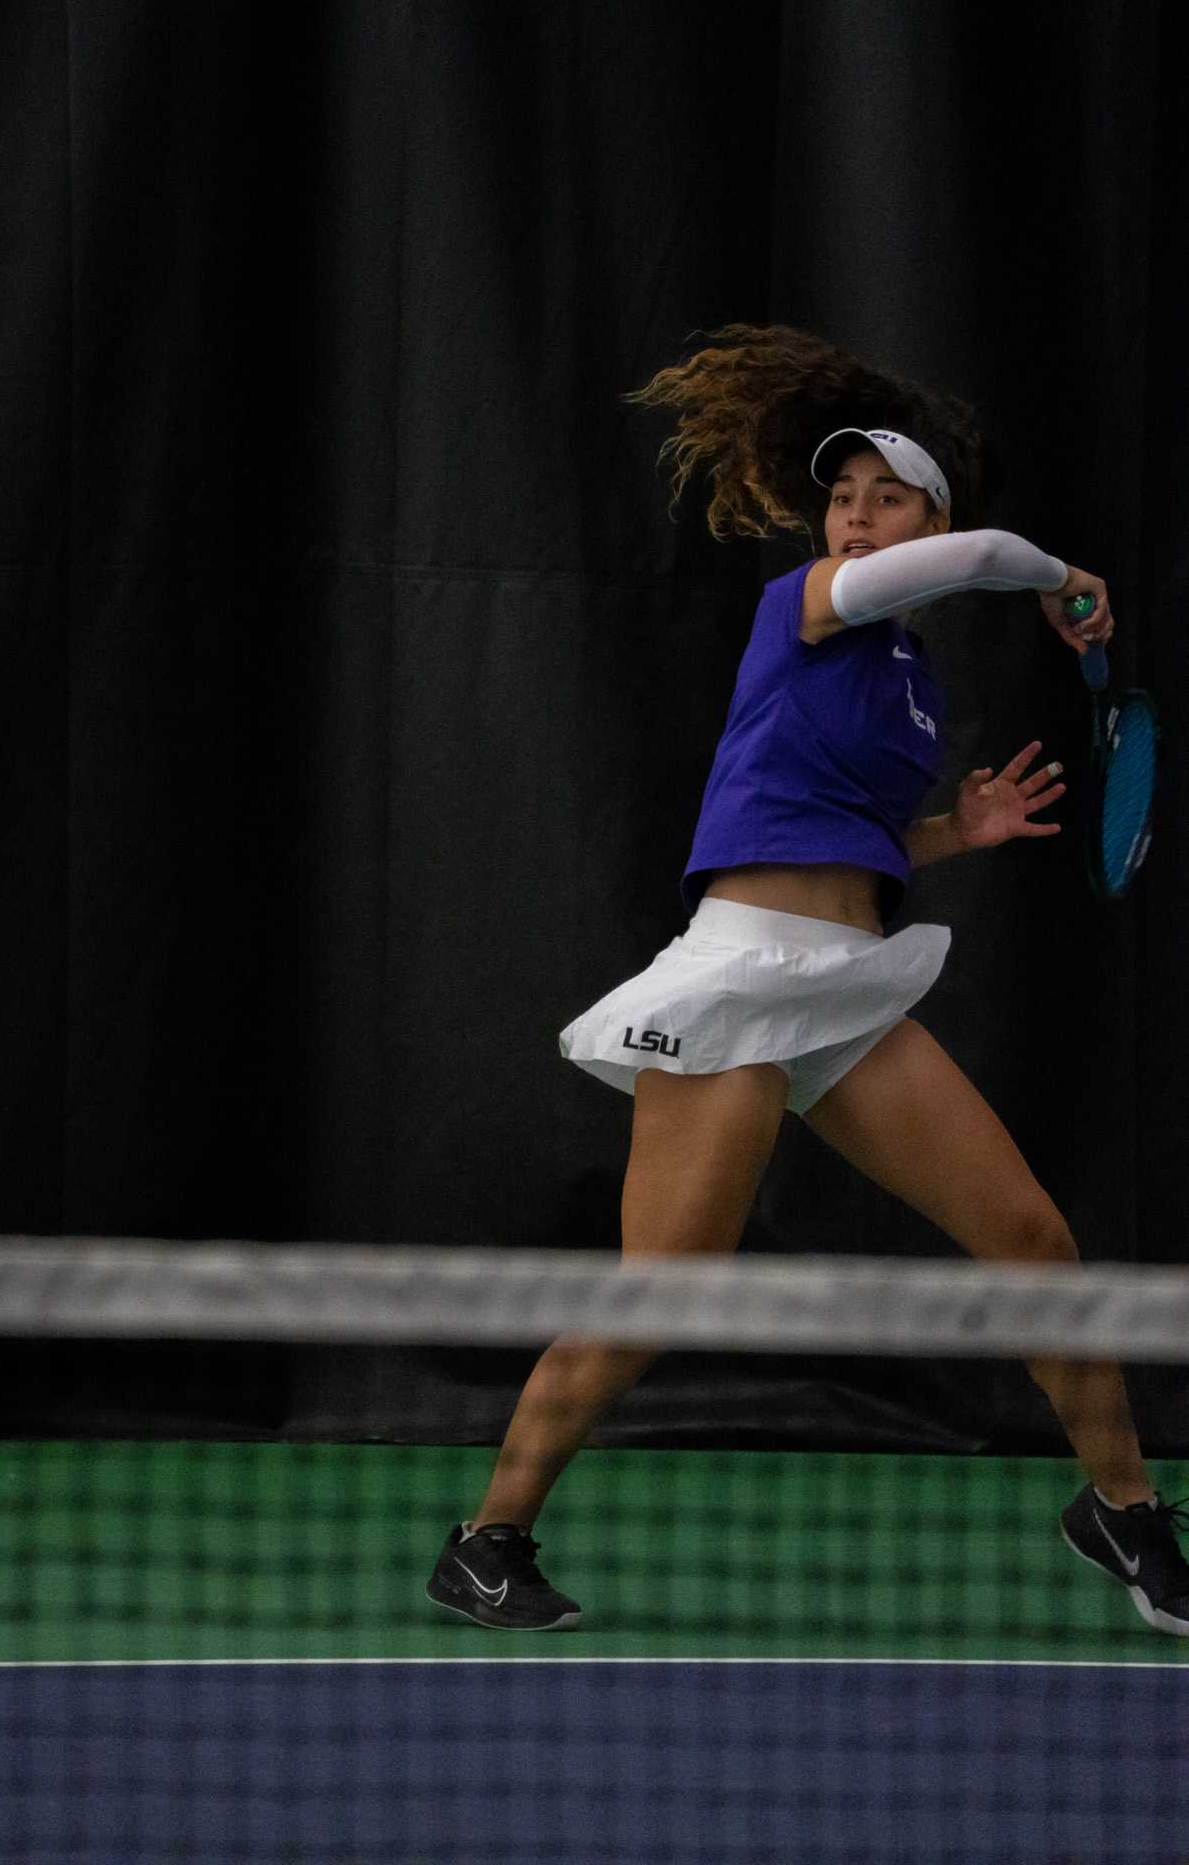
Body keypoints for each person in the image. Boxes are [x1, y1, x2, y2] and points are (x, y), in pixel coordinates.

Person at [426, 322, 1189, 1637]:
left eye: (884, 496)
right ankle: (488, 1540)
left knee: (1034, 1241)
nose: (852, 513)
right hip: (738, 982)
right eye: (842, 497)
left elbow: (838, 831)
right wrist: (1061, 576)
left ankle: (1122, 1510)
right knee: (663, 1287)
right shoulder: (806, 606)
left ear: (929, 515)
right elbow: (997, 559)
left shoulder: (910, 689)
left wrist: (957, 833)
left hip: (847, 984)